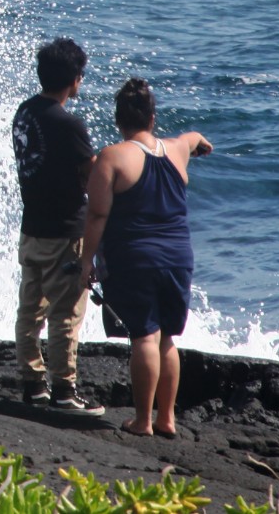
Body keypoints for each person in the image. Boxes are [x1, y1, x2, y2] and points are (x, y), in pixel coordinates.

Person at [80, 77, 212, 438]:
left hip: (135, 259)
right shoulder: (176, 149)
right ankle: (167, 418)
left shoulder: (113, 156)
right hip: (179, 257)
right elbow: (195, 137)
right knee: (168, 338)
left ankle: (143, 421)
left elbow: (96, 215)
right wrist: (202, 145)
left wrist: (86, 261)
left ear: (119, 121)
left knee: (143, 336)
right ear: (152, 118)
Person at [11, 37, 104, 413]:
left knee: (30, 309)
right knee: (65, 313)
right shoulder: (69, 124)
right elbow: (93, 178)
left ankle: (33, 384)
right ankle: (64, 392)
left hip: (32, 227)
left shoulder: (25, 112)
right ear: (74, 79)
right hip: (65, 232)